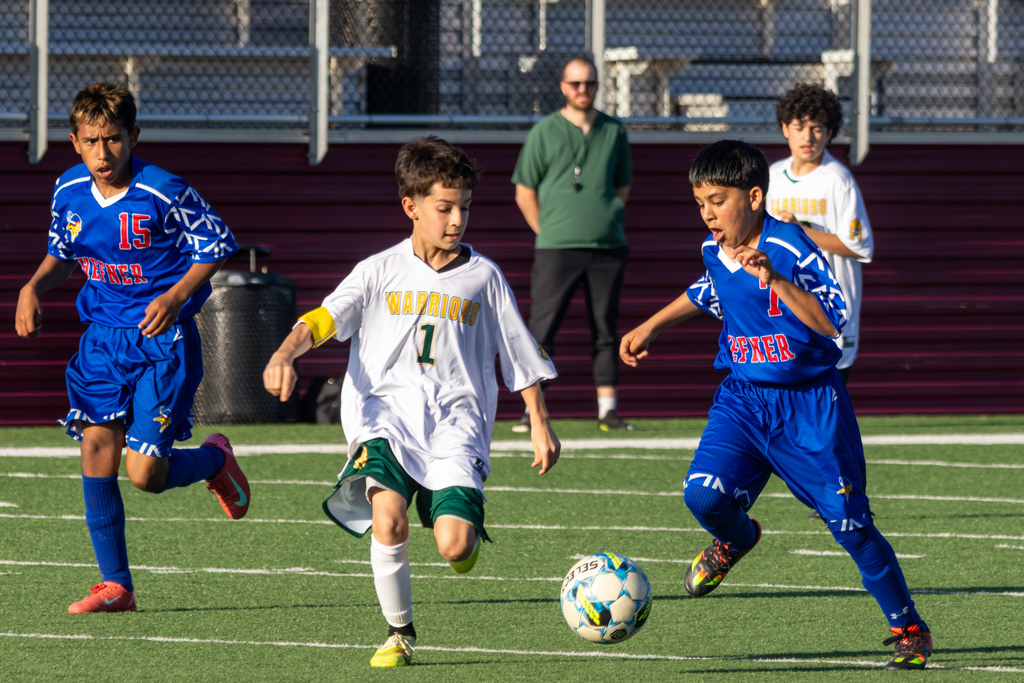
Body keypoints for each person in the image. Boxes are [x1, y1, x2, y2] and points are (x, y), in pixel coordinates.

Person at [619, 140, 932, 670]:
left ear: (756, 196)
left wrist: (776, 279)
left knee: (851, 526)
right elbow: (708, 290)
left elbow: (831, 319)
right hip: (744, 400)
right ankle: (737, 539)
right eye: (700, 202)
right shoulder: (713, 250)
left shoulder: (791, 247)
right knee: (703, 498)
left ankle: (909, 627)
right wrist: (651, 324)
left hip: (810, 408)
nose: (708, 213)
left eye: (717, 200)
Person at [262, 136, 560, 668]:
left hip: (456, 424)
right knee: (388, 520)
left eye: (464, 207)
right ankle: (399, 632)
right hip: (386, 418)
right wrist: (286, 351)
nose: (456, 220)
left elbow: (519, 351)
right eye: (444, 208)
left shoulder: (484, 278)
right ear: (411, 207)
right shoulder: (378, 270)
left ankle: (448, 515)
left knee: (454, 547)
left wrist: (539, 421)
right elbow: (325, 319)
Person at [14, 81, 249, 614]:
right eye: (92, 141)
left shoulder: (164, 190)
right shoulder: (68, 189)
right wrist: (33, 287)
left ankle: (214, 460)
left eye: (114, 140)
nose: (103, 153)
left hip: (161, 342)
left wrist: (176, 295)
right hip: (101, 340)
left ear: (133, 137)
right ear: (74, 141)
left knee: (145, 475)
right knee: (97, 447)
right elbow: (63, 254)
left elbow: (216, 244)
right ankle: (116, 585)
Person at [511, 54, 634, 432]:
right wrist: (544, 230)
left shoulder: (614, 131)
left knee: (605, 328)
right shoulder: (544, 131)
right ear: (563, 87)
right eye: (576, 83)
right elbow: (524, 189)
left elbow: (622, 185)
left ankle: (607, 410)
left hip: (607, 246)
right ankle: (532, 410)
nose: (584, 90)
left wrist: (607, 214)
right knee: (543, 327)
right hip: (556, 247)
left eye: (590, 83)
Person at [766, 83, 874, 384]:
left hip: (830, 305)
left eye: (817, 128)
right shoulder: (772, 177)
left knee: (829, 402)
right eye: (800, 127)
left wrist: (798, 231)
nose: (808, 136)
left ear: (830, 133)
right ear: (785, 128)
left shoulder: (838, 180)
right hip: (784, 305)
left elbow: (859, 247)